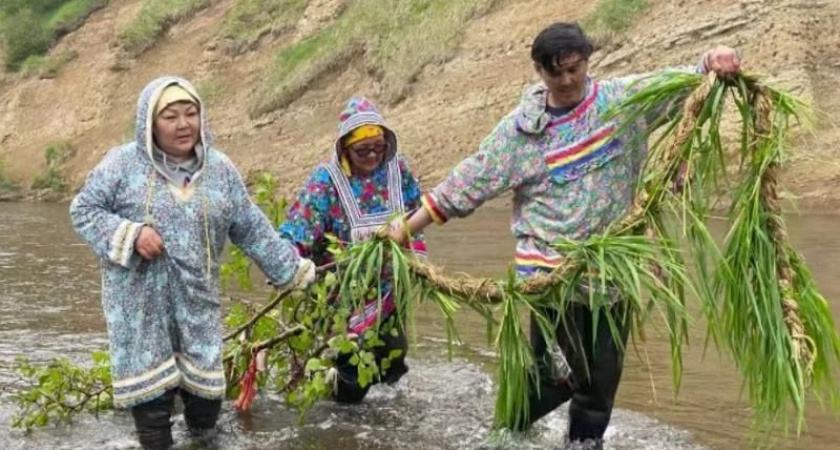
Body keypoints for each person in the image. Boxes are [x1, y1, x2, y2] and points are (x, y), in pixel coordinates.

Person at [389, 22, 741, 447]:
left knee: (601, 381)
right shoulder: (520, 133)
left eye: (575, 69)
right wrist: (402, 232)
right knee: (558, 375)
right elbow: (464, 185)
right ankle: (506, 434)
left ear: (587, 61)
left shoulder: (621, 102)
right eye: (557, 73)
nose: (568, 80)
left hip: (612, 272)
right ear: (539, 71)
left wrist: (713, 59)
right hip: (550, 274)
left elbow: (683, 81)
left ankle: (583, 444)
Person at [69, 76, 315, 450]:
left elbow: (249, 226)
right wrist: (131, 234)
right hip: (140, 309)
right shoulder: (121, 164)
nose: (183, 124)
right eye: (170, 116)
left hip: (198, 305)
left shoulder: (220, 170)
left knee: (205, 413)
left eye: (191, 113)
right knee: (153, 419)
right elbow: (84, 210)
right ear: (149, 123)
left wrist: (292, 271)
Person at [279, 96, 427, 403]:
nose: (373, 154)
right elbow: (295, 234)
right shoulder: (326, 182)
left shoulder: (398, 172)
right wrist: (289, 268)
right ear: (345, 148)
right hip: (339, 300)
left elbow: (418, 212)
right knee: (351, 379)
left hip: (387, 294)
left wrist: (417, 260)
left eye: (379, 146)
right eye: (363, 149)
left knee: (393, 357)